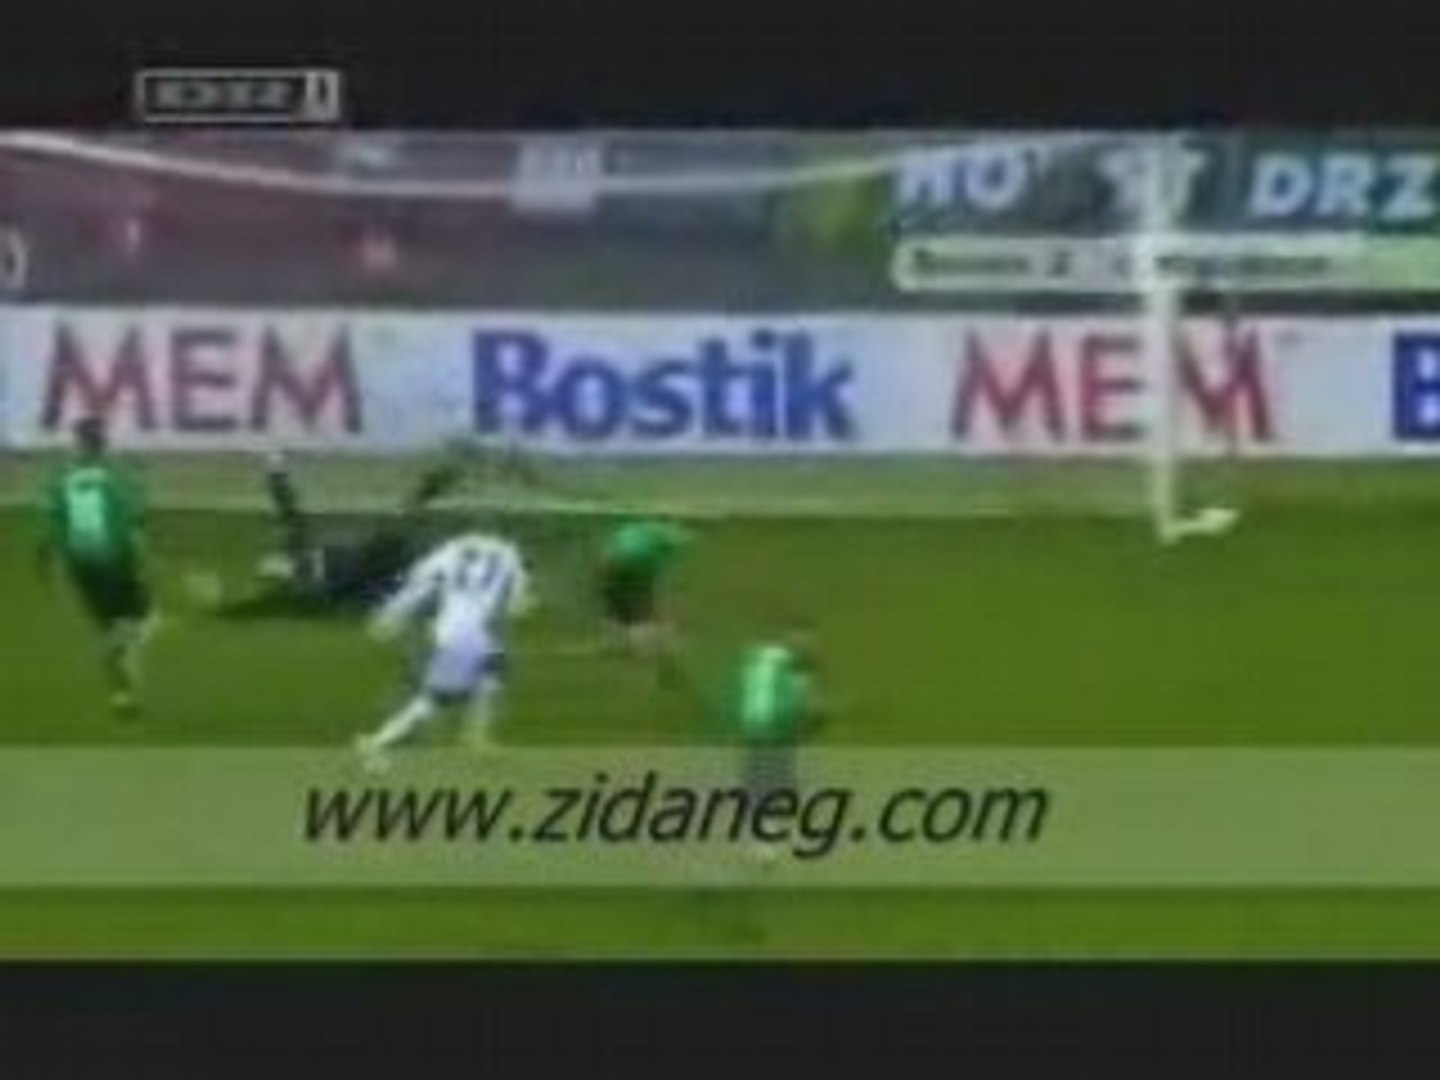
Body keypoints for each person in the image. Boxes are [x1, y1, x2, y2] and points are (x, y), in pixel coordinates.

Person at [355, 530, 534, 772]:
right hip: (469, 634)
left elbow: (418, 579)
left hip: (454, 631)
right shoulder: (509, 553)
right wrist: (518, 603)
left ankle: (476, 736)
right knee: (434, 701)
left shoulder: (449, 550)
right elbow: (517, 603)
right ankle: (376, 742)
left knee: (493, 671)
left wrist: (393, 614)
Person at [40, 417, 157, 715]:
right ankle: (124, 665)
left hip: (81, 563)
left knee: (110, 627)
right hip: (115, 559)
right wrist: (143, 562)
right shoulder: (117, 475)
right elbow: (136, 524)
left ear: (78, 442)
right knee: (145, 621)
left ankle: (122, 694)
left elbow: (50, 532)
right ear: (104, 442)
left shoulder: (60, 479)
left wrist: (47, 571)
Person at [732, 624, 825, 864]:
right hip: (772, 736)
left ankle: (765, 843)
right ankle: (765, 844)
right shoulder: (789, 671)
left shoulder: (770, 663)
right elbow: (803, 711)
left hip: (765, 735)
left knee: (766, 786)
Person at [594, 518, 693, 680]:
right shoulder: (665, 540)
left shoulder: (630, 530)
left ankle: (617, 642)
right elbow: (659, 576)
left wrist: (604, 574)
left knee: (616, 607)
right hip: (633, 565)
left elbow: (607, 550)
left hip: (613, 564)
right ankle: (649, 648)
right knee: (643, 609)